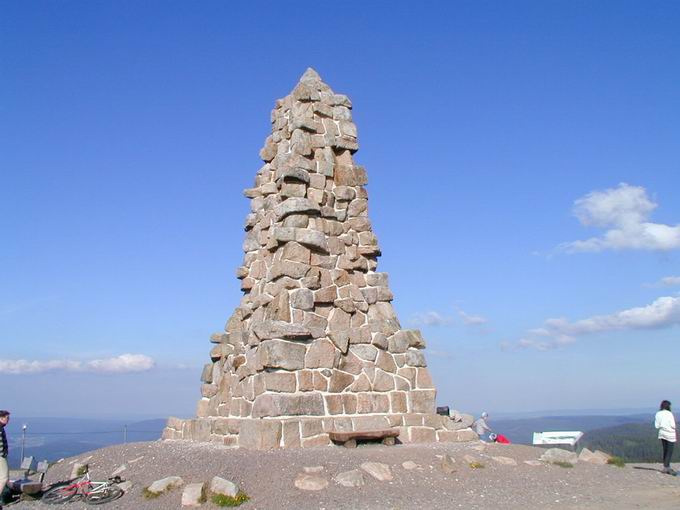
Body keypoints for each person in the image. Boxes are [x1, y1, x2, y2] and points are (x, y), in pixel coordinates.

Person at [654, 400, 676, 475]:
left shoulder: (658, 413)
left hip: (662, 433)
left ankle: (666, 466)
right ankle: (667, 467)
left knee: (665, 450)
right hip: (670, 434)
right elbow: (673, 425)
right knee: (669, 451)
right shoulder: (669, 414)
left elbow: (656, 426)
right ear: (668, 406)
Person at [0, 410, 10, 508]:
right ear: (1, 418)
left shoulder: (1, 427)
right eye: (7, 418)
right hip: (0, 456)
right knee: (4, 478)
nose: (9, 420)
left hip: (2, 455)